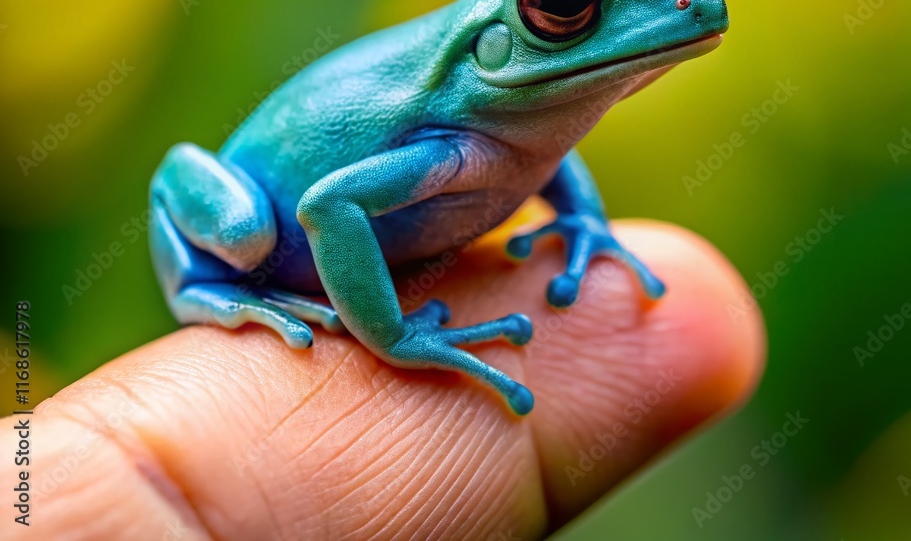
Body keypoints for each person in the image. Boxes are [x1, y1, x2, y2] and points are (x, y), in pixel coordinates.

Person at [5, 215, 764, 539]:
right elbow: (329, 205)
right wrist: (392, 333)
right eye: (566, 4)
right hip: (266, 216)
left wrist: (583, 219)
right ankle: (201, 284)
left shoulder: (531, 105)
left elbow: (549, 134)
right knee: (240, 229)